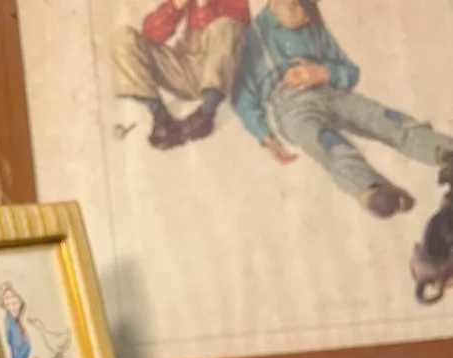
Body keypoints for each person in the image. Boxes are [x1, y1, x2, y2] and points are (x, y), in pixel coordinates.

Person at [232, 0, 453, 218]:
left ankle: (442, 150)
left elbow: (350, 71)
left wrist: (323, 72)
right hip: (291, 107)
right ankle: (371, 190)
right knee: (327, 143)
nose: (306, 16)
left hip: (331, 93)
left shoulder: (314, 27)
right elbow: (242, 98)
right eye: (298, 5)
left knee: (382, 118)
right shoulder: (253, 37)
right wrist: (266, 137)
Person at [112, 0, 250, 150]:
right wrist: (175, 6)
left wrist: (203, 6)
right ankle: (160, 116)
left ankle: (204, 115)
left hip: (216, 69)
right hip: (185, 66)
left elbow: (232, 35)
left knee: (226, 27)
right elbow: (150, 33)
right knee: (124, 39)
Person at [0, 283, 38, 358]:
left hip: (15, 319)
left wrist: (18, 318)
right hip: (13, 320)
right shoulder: (9, 315)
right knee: (19, 341)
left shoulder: (12, 299)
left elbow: (20, 305)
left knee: (22, 341)